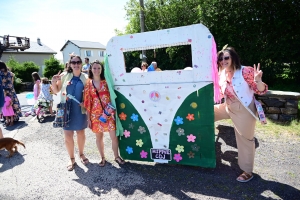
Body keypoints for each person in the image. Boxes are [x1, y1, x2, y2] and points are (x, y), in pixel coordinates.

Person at [214, 46, 268, 183]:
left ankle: (247, 171)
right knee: (207, 114)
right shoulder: (222, 73)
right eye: (221, 58)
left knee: (245, 140)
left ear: (233, 58)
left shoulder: (245, 71)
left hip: (243, 109)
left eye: (226, 57)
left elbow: (261, 91)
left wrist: (258, 81)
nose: (223, 61)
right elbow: (221, 92)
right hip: (228, 106)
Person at [83, 60, 125, 166]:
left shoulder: (106, 81)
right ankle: (102, 158)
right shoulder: (88, 83)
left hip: (108, 113)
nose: (96, 70)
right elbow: (88, 102)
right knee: (99, 137)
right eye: (94, 68)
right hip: (95, 115)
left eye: (99, 68)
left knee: (114, 136)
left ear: (102, 70)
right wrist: (88, 119)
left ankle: (116, 156)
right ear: (91, 69)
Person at [51, 55, 89, 171]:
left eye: (78, 62)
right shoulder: (63, 76)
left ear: (81, 63)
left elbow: (89, 94)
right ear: (70, 64)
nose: (76, 64)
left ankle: (81, 154)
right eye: (74, 62)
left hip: (79, 110)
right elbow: (56, 90)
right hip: (65, 109)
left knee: (80, 133)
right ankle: (71, 158)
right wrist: (53, 82)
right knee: (68, 135)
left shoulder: (86, 77)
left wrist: (85, 103)